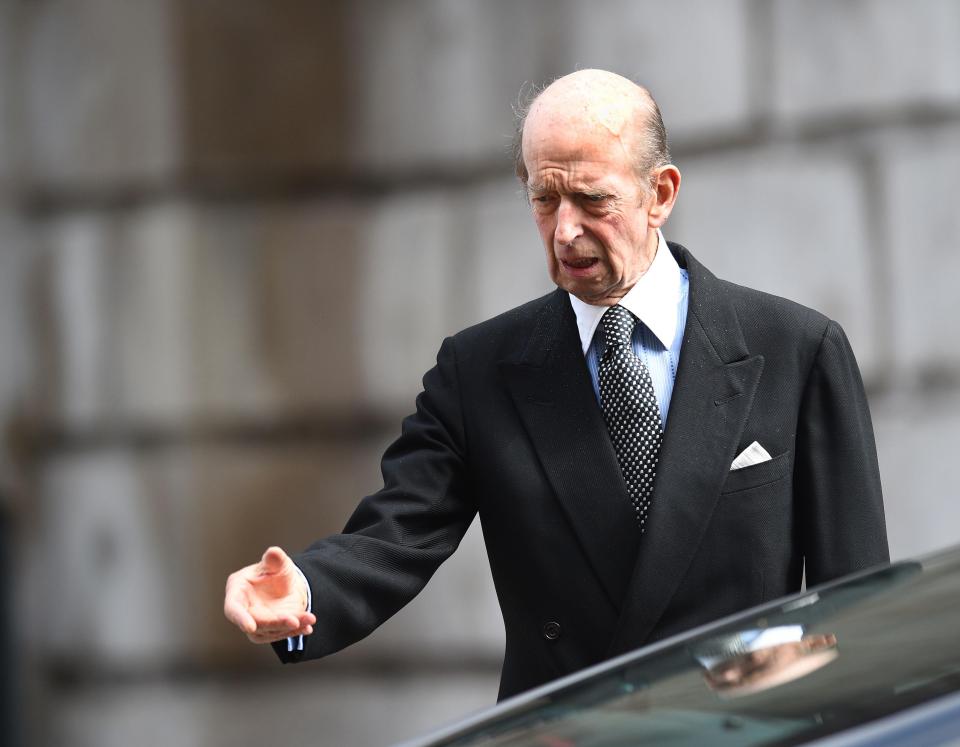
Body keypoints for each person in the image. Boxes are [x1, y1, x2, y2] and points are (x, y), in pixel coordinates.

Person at [223, 69, 889, 701]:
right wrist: (304, 588)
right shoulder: (478, 369)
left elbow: (858, 610)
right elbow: (396, 531)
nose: (564, 230)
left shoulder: (796, 349)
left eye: (592, 199)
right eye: (545, 199)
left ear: (659, 194)